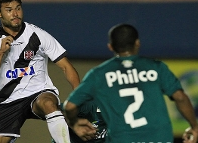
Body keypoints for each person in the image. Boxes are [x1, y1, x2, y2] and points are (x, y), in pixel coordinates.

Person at [63, 23, 198, 143]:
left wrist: (74, 123)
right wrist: (194, 126)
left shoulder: (99, 74)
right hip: (159, 138)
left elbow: (69, 106)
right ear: (137, 43)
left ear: (110, 47)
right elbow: (180, 97)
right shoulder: (156, 67)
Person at [0, 0, 80, 143]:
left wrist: (79, 98)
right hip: (8, 101)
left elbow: (66, 67)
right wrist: (0, 54)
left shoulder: (37, 35)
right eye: (9, 10)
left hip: (39, 92)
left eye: (18, 8)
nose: (15, 14)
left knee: (49, 104)